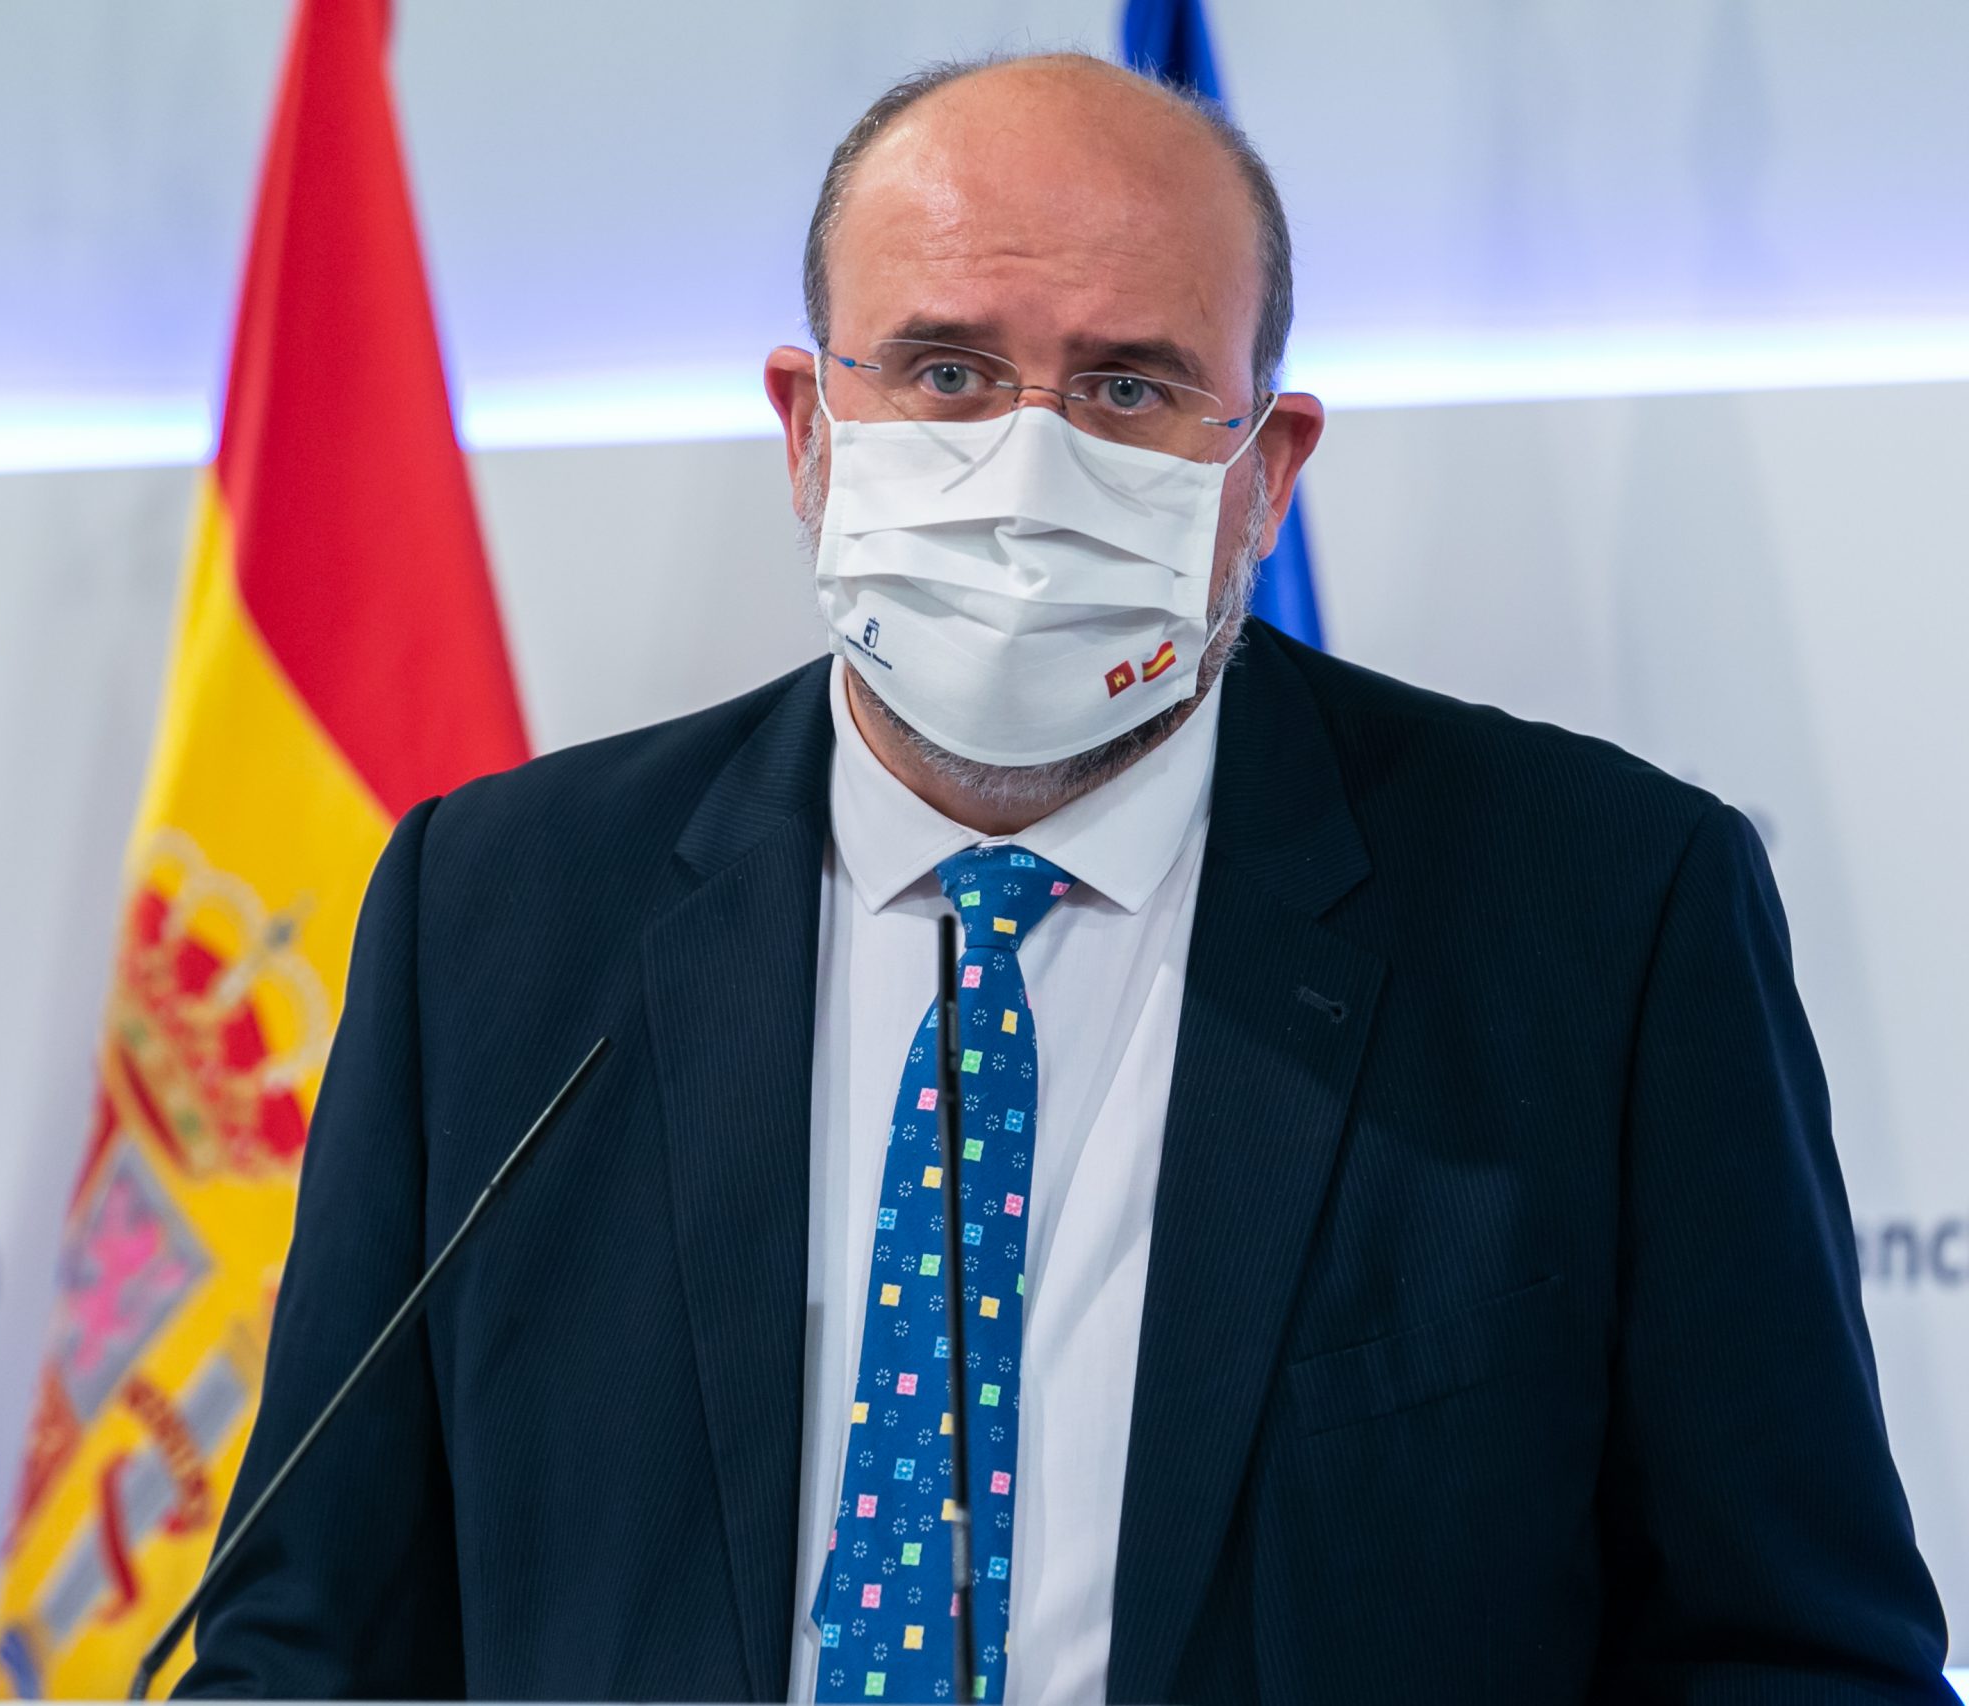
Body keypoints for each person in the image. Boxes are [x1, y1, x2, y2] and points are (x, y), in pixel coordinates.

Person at [176, 52, 1947, 1704]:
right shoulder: (493, 915)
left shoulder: (1605, 921)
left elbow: (1796, 1655)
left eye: (1129, 387)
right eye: (945, 369)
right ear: (807, 430)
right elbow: (308, 1636)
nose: (1029, 470)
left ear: (1266, 473)